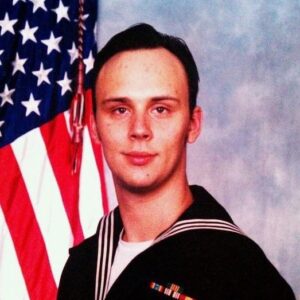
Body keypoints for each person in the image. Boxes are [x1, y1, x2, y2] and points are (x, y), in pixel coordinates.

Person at [58, 23, 295, 300]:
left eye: (160, 109)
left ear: (192, 124)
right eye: (120, 110)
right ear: (95, 126)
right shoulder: (83, 266)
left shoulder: (241, 273)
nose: (139, 129)